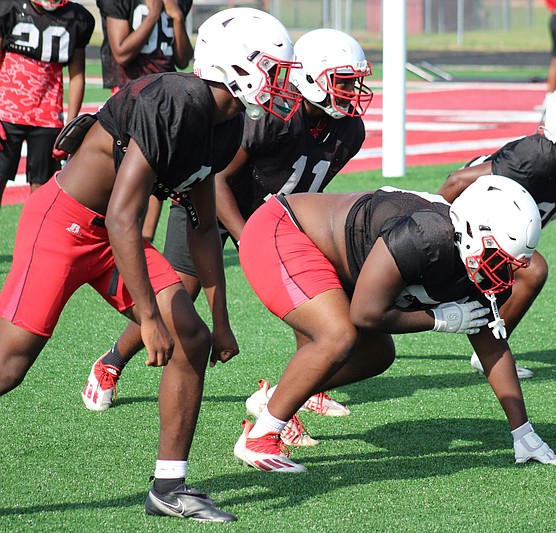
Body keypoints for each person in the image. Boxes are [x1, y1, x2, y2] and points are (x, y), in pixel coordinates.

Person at [0, 7, 303, 521]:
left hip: (111, 234)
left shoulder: (226, 122)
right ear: (237, 66)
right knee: (12, 362)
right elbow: (123, 214)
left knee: (194, 337)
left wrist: (221, 319)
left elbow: (204, 225)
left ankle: (168, 488)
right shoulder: (178, 100)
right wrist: (147, 316)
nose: (281, 85)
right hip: (64, 224)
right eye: (274, 70)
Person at [81, 28, 372, 438]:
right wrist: (248, 234)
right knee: (181, 290)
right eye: (342, 82)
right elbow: (215, 179)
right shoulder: (269, 118)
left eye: (353, 82)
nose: (353, 91)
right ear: (310, 78)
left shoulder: (348, 131)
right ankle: (112, 361)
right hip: (211, 203)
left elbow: (309, 189)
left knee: (309, 290)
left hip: (273, 217)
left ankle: (306, 386)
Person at [233, 175, 556, 472]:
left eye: (508, 263)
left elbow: (490, 341)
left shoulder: (474, 255)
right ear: (473, 231)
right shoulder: (427, 237)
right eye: (496, 258)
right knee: (338, 336)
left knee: (376, 356)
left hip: (339, 262)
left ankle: (275, 397)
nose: (499, 272)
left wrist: (524, 433)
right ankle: (260, 438)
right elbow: (365, 312)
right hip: (283, 229)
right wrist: (438, 319)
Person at [438, 82, 556, 379]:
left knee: (525, 272)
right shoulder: (533, 158)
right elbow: (458, 181)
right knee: (532, 270)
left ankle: (488, 351)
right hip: (471, 217)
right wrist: (432, 222)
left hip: (501, 229)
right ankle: (491, 351)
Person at [95, 0, 194, 241]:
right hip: (129, 96)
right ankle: (118, 238)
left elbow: (183, 60)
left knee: (156, 169)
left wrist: (178, 19)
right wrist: (153, 16)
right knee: (123, 167)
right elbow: (121, 52)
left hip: (165, 95)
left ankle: (145, 242)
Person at [0, 0, 94, 205]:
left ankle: (34, 238)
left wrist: (69, 126)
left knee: (41, 191)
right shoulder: (9, 8)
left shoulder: (76, 17)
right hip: (6, 112)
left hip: (47, 115)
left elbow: (77, 75)